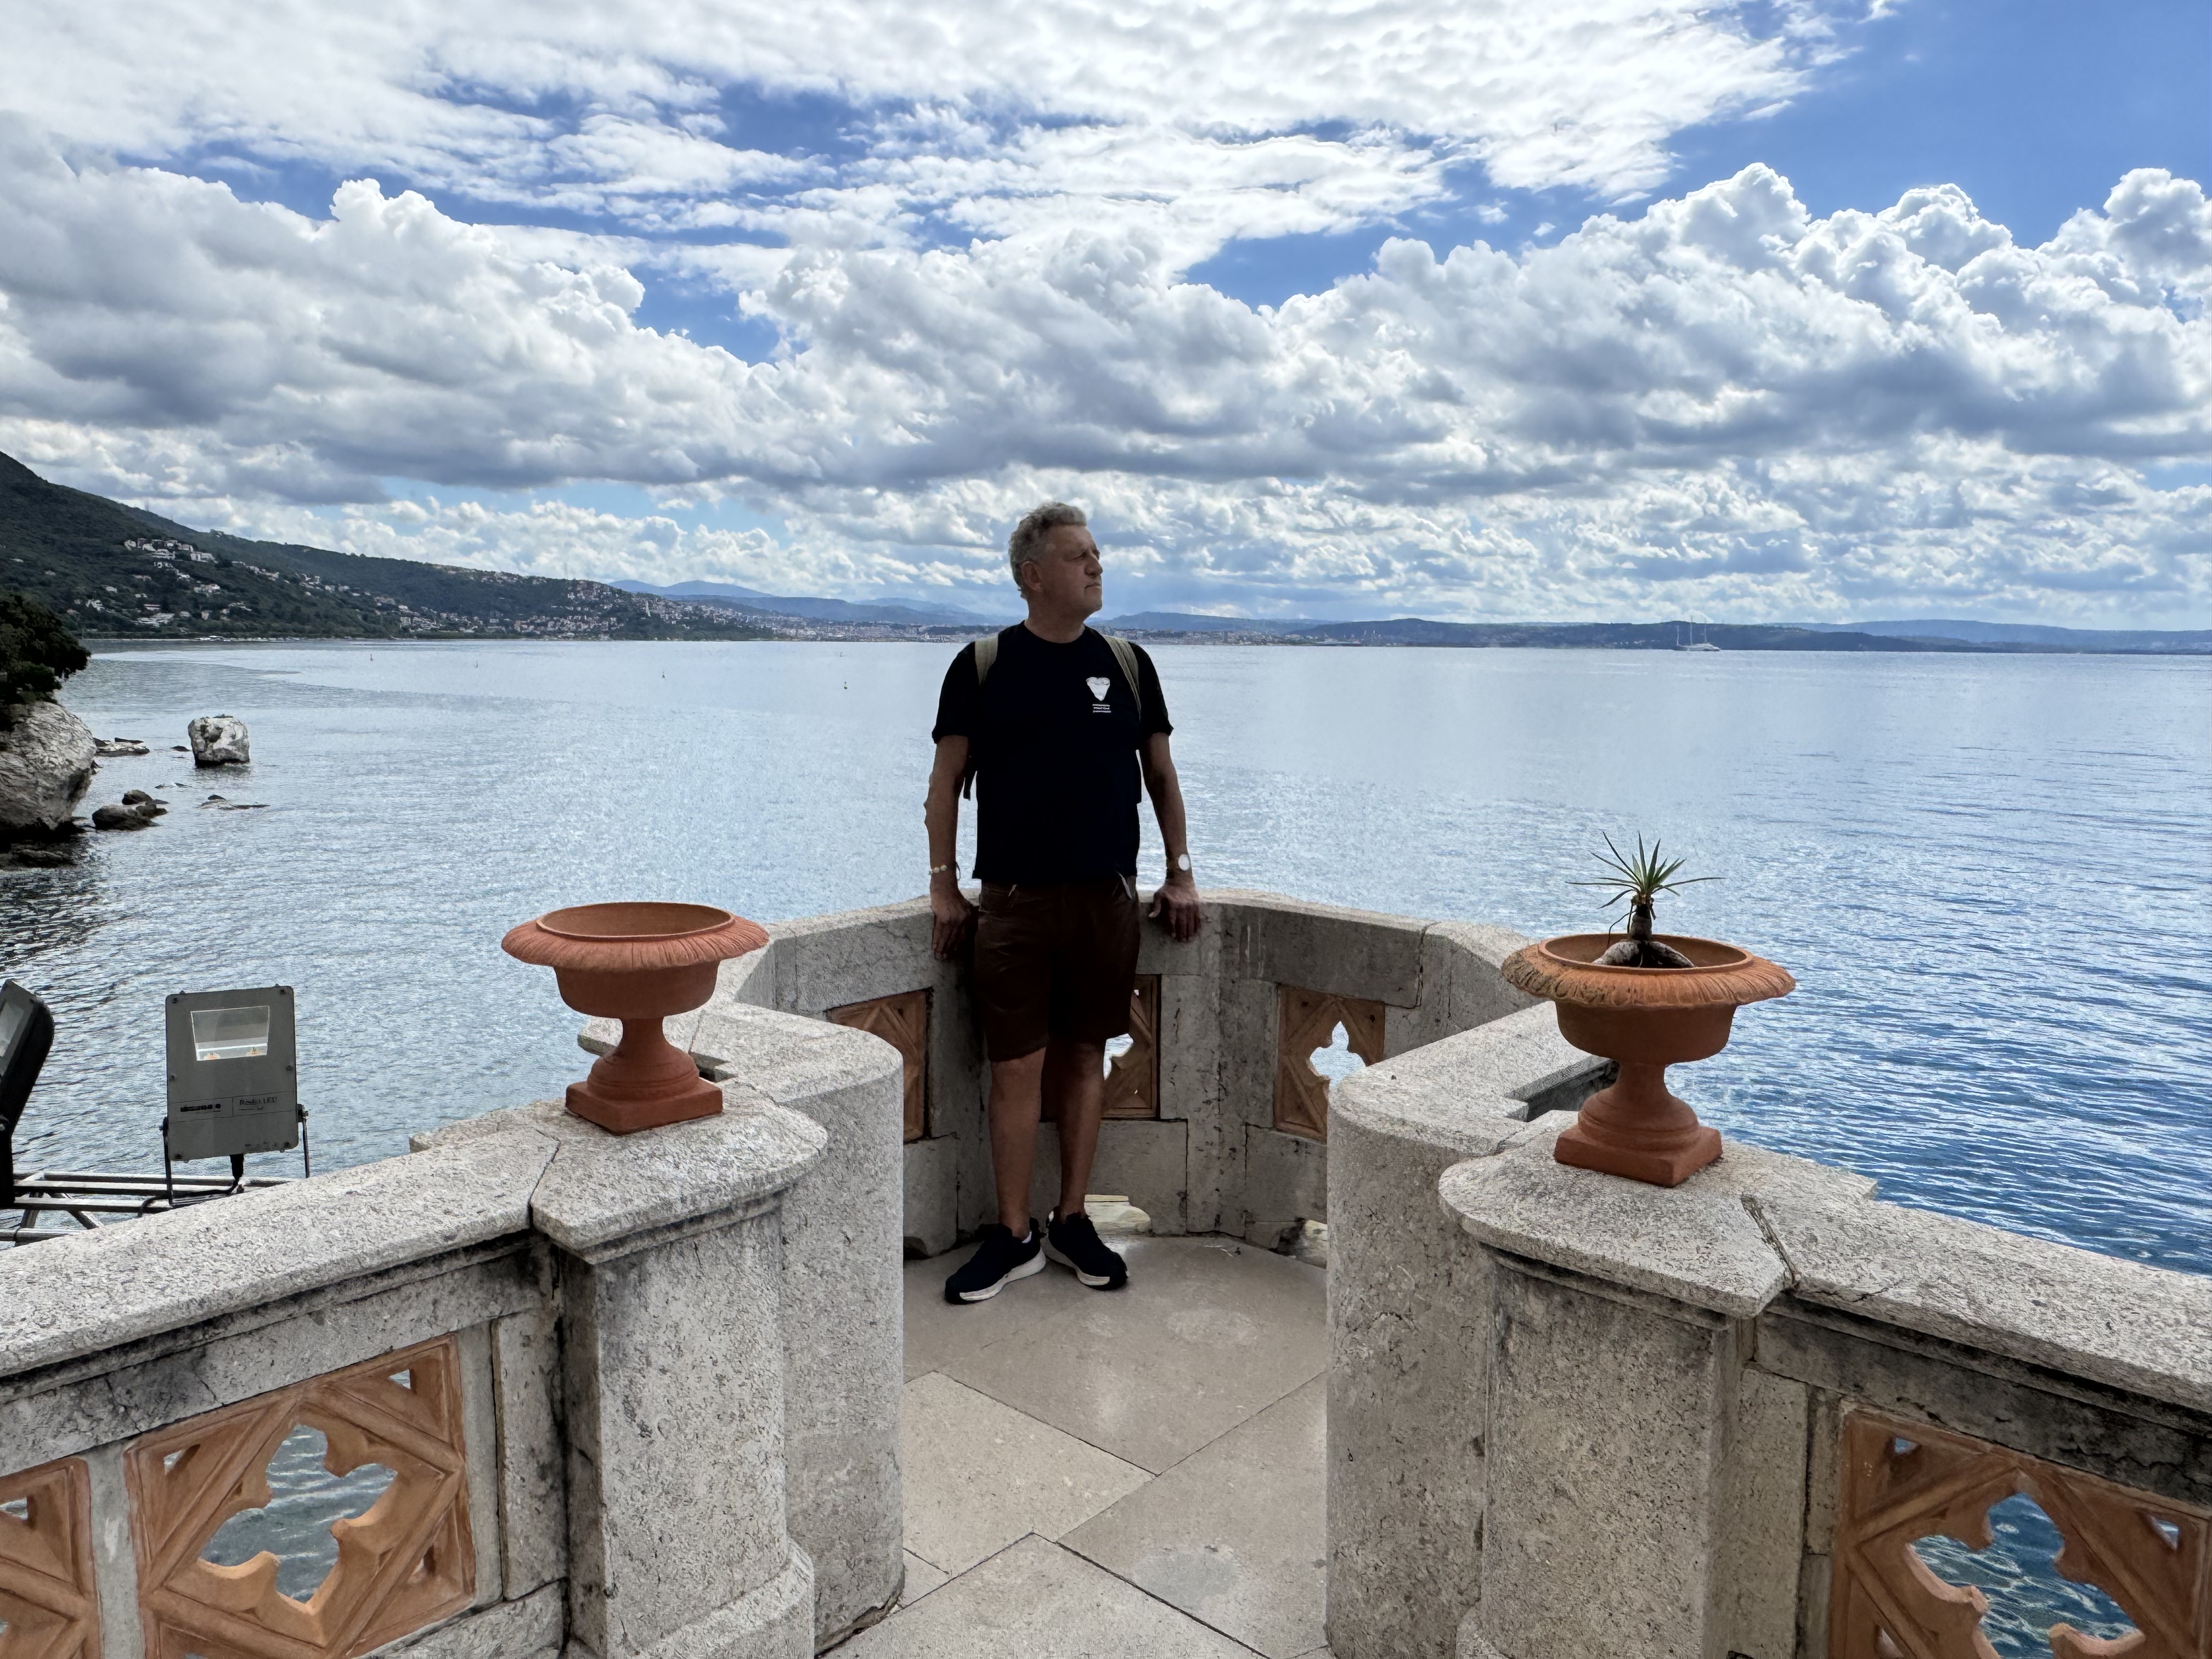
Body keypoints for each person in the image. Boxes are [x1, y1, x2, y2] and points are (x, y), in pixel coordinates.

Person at [925, 501, 1203, 1304]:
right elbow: (945, 783)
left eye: (1097, 553)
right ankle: (1013, 1235)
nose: (1096, 565)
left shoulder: (1128, 663)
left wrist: (1181, 872)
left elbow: (1161, 778)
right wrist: (943, 885)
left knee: (1085, 1056)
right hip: (1013, 904)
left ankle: (1072, 1219)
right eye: (1079, 555)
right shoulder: (982, 665)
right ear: (1033, 575)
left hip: (1106, 900)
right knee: (1015, 1067)